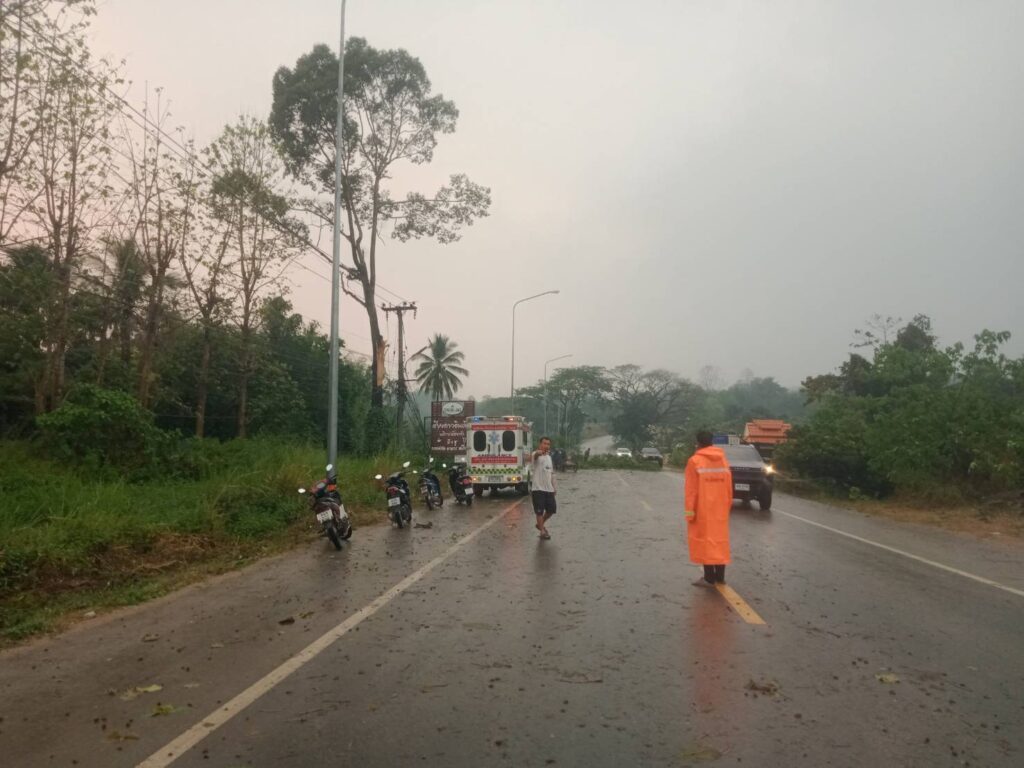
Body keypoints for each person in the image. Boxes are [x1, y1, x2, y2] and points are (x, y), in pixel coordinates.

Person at [684, 429, 733, 585]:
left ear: (698, 443)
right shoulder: (723, 459)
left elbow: (691, 490)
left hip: (703, 509)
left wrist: (690, 513)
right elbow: (728, 487)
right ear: (712, 441)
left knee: (705, 542)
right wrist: (727, 505)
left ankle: (709, 578)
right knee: (720, 541)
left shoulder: (694, 461)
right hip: (720, 509)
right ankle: (720, 577)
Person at [529, 436, 557, 540]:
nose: (546, 446)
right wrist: (538, 453)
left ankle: (539, 524)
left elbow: (551, 473)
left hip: (549, 489)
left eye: (548, 444)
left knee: (551, 510)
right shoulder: (535, 455)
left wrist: (554, 487)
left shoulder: (549, 458)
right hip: (538, 489)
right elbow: (536, 455)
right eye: (544, 443)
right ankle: (542, 531)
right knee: (539, 511)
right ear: (540, 444)